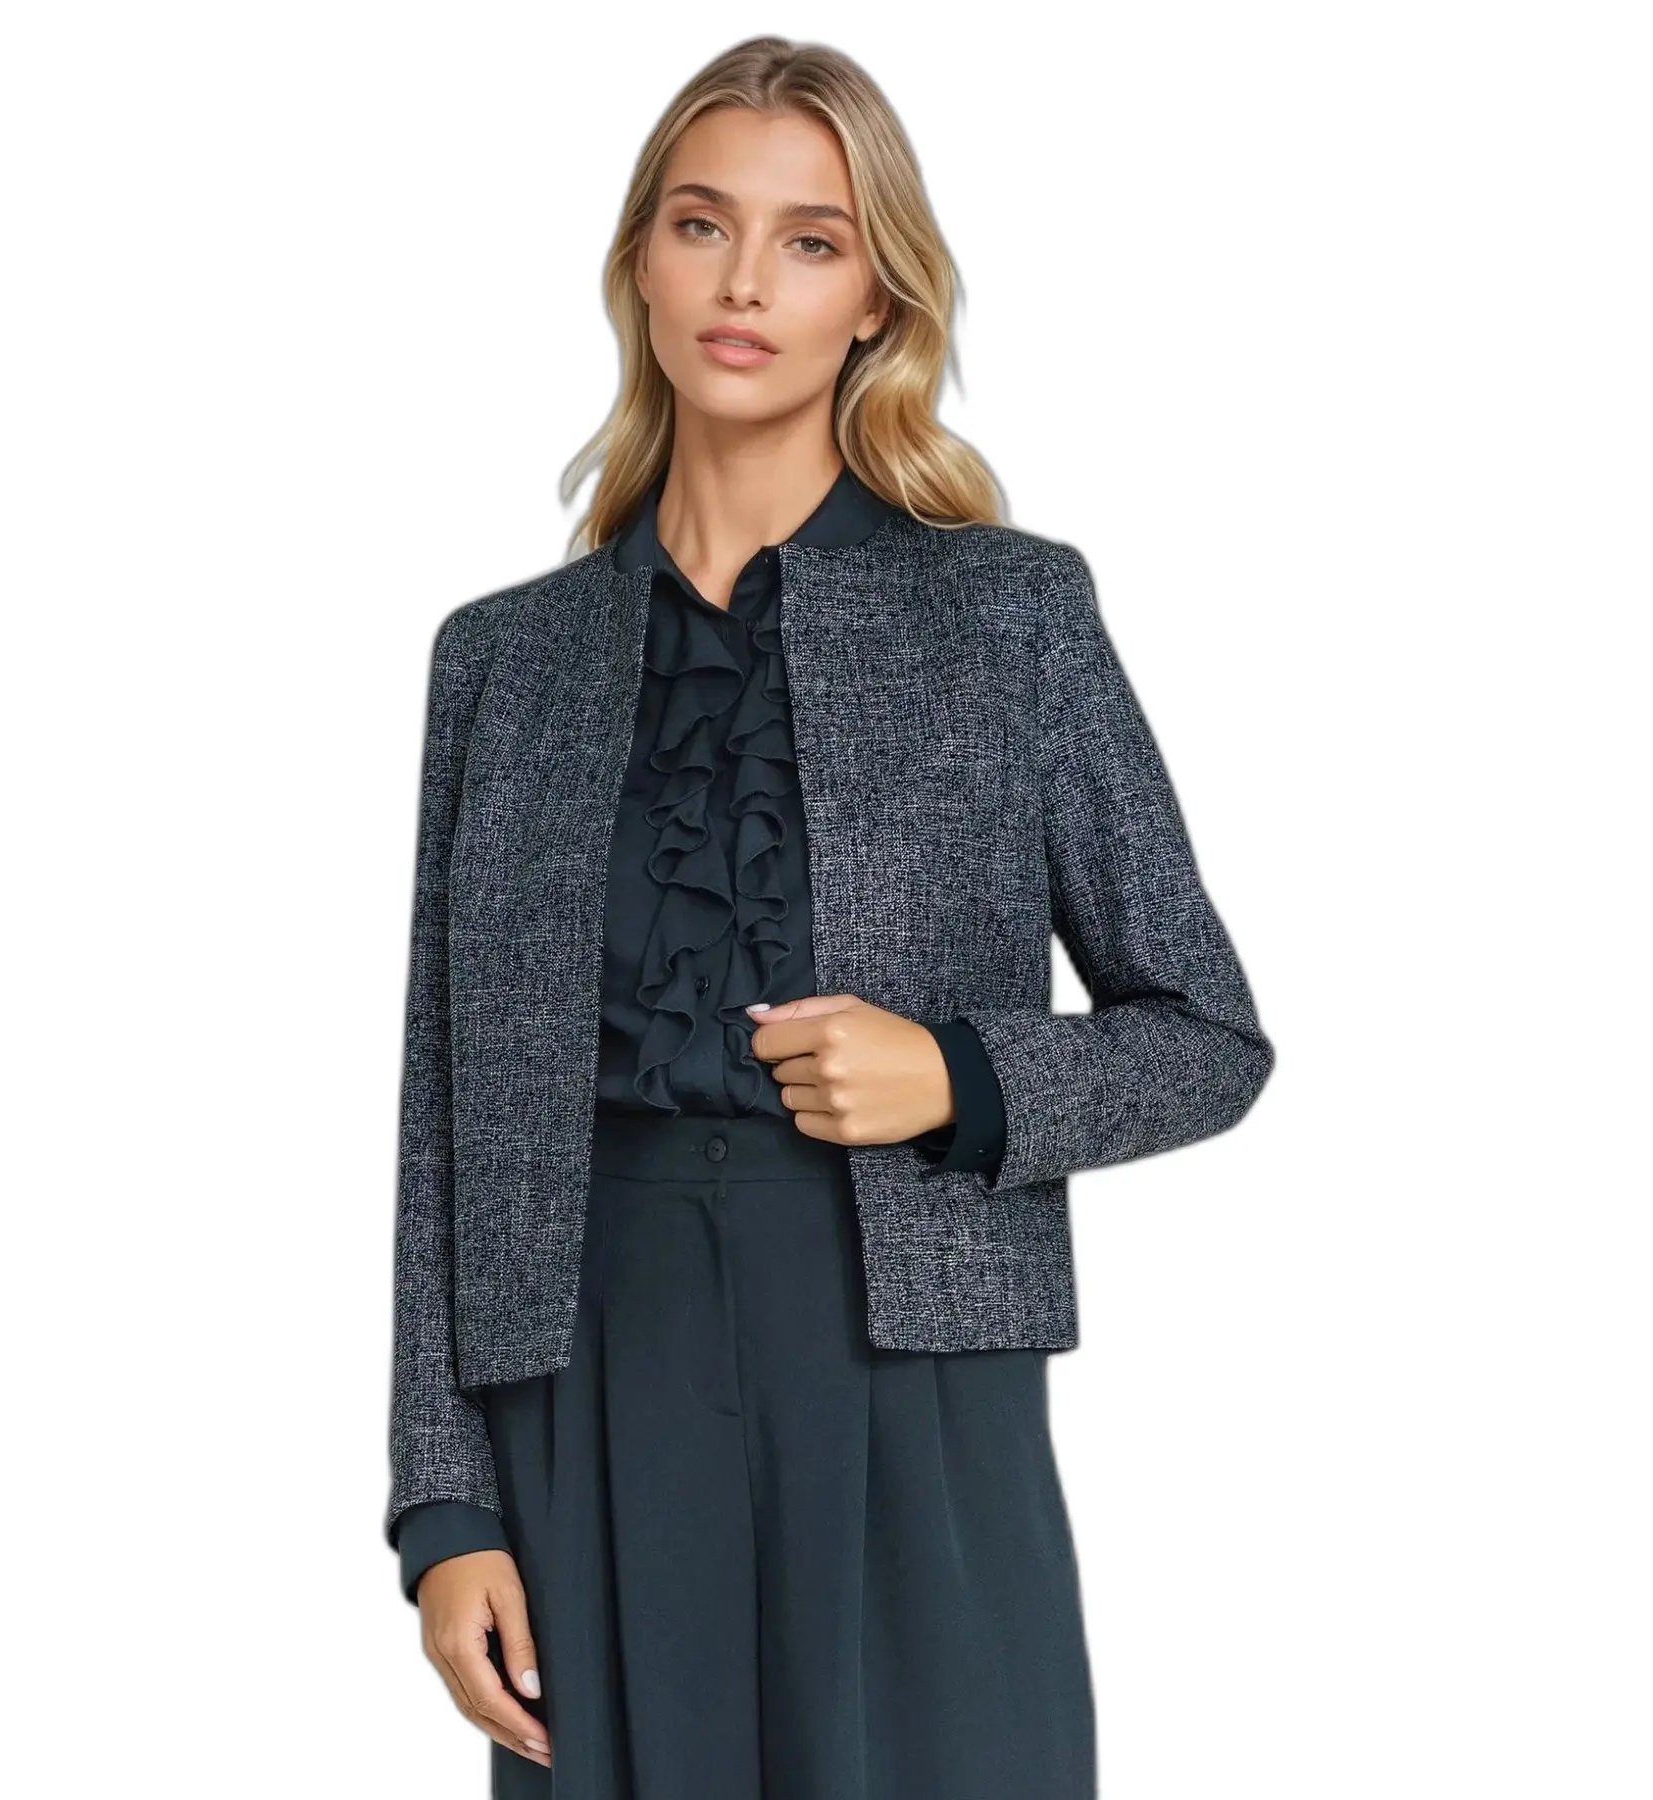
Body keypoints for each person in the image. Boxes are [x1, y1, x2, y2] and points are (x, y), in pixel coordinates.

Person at [385, 35, 1275, 1799]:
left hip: (907, 1366)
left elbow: (1208, 1037)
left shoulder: (1009, 617)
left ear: (878, 300)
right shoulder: (503, 661)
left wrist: (964, 1076)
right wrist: (443, 1506)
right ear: (643, 264)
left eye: (810, 242)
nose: (744, 283)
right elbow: (444, 1116)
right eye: (702, 225)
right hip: (585, 1372)